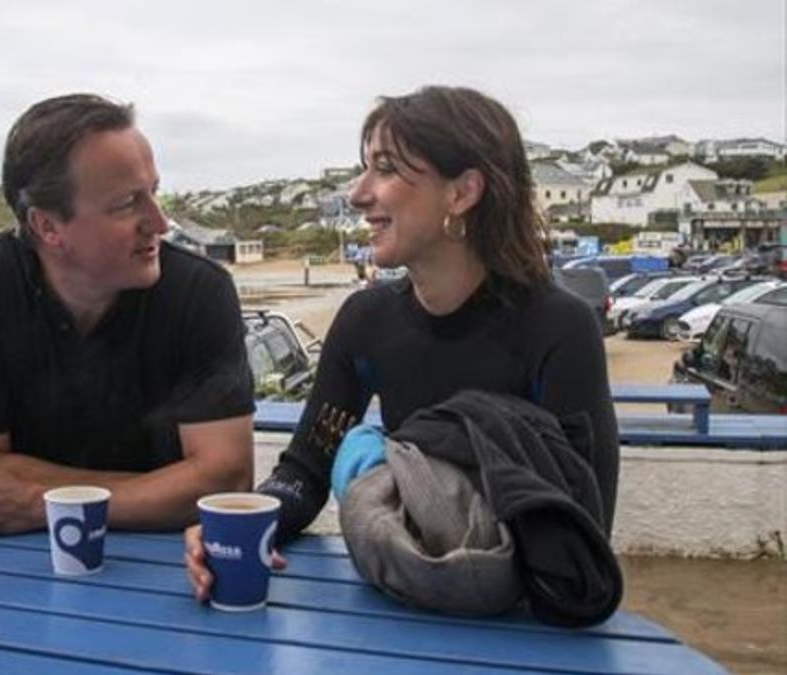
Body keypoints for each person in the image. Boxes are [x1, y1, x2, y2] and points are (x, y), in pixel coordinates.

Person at [185, 86, 619, 602]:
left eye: (386, 169)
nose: (357, 194)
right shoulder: (366, 320)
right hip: (402, 593)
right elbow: (305, 470)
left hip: (520, 618)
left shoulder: (558, 327)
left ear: (462, 193)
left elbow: (584, 524)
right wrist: (245, 524)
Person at [0, 94, 255, 535]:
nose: (160, 223)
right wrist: (164, 489)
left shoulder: (199, 291)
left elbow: (227, 481)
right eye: (126, 204)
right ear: (47, 226)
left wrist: (39, 501)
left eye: (154, 193)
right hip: (19, 566)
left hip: (170, 566)